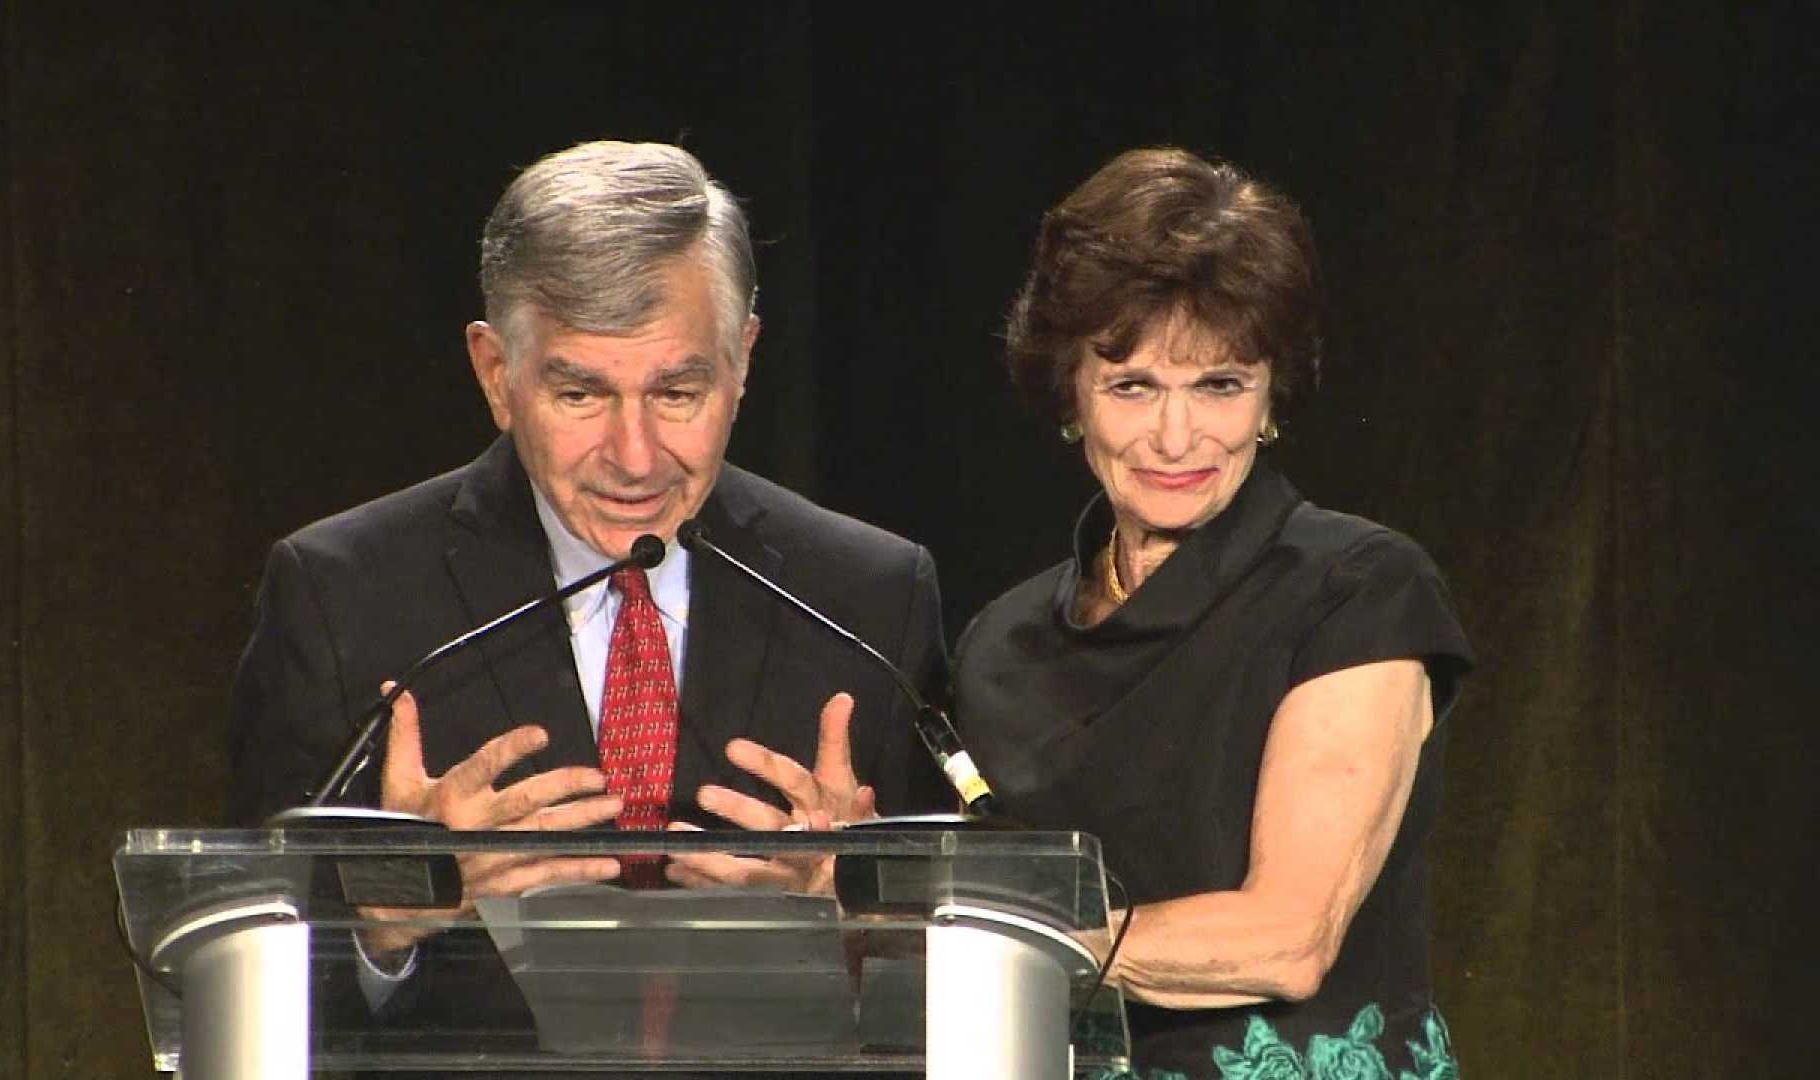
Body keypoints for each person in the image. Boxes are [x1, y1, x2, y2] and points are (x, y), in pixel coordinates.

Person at [226, 141, 948, 1055]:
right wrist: (383, 920)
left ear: (744, 359)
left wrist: (857, 921)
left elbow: (947, 988)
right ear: (497, 375)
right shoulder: (344, 594)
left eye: (678, 391)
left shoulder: (870, 598)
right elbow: (235, 974)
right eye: (580, 393)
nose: (636, 456)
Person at [952, 147, 1474, 1078]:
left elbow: (1287, 938)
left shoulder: (1358, 589)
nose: (1176, 437)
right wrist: (849, 874)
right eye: (1133, 386)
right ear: (1071, 393)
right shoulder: (1001, 645)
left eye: (1219, 386)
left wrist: (996, 945)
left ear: (1271, 394)